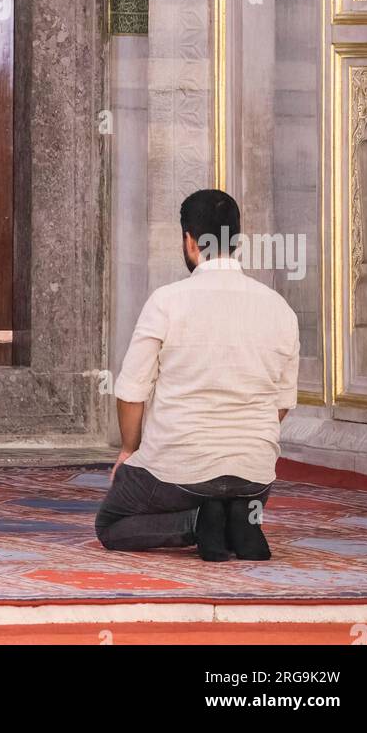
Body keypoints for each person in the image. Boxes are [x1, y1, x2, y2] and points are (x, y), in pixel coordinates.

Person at [95, 189, 299, 562]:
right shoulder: (279, 308)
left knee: (111, 523)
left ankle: (199, 521)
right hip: (253, 476)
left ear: (189, 241)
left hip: (180, 476)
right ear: (237, 242)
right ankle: (237, 515)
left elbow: (131, 393)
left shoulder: (167, 301)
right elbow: (282, 405)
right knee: (235, 484)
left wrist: (130, 450)